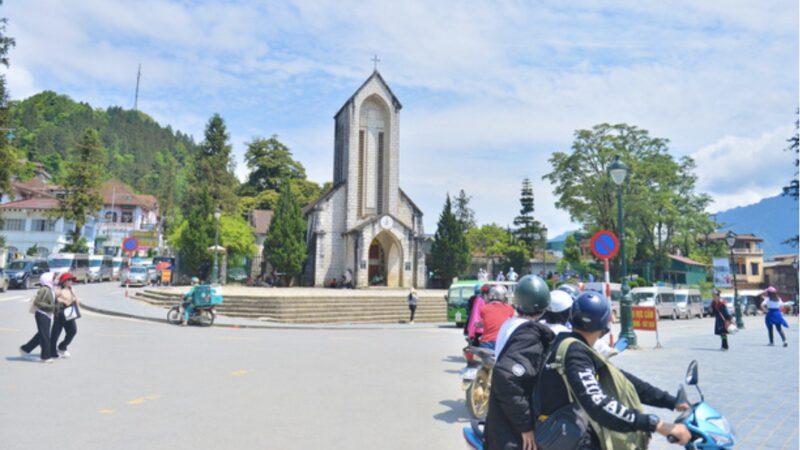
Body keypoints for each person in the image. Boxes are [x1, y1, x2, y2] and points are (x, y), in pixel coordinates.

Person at [534, 291, 692, 449]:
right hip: (571, 441)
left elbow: (623, 381)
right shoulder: (575, 353)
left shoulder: (572, 346)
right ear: (604, 326)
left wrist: (670, 401)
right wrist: (657, 425)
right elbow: (598, 404)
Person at [485, 275, 553, 450]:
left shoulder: (510, 324)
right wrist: (525, 426)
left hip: (499, 421)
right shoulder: (529, 334)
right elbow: (506, 376)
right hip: (511, 433)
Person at [19, 273, 58, 363]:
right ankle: (45, 357)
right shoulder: (44, 289)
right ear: (47, 279)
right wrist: (51, 307)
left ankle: (25, 349)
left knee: (41, 335)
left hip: (47, 314)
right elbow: (37, 302)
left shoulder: (50, 288)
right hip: (42, 314)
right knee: (45, 336)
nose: (54, 280)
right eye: (53, 278)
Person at [50, 272, 80, 358]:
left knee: (73, 331)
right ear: (64, 281)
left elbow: (76, 300)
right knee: (55, 333)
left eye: (71, 280)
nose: (71, 281)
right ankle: (52, 351)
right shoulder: (59, 290)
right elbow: (57, 300)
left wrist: (75, 300)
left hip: (70, 313)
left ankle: (62, 346)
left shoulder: (71, 289)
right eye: (69, 280)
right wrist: (63, 301)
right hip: (60, 313)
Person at [477, 285, 515, 350]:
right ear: (503, 297)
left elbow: (483, 322)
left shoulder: (484, 308)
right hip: (502, 341)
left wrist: (477, 325)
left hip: (486, 342)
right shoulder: (509, 309)